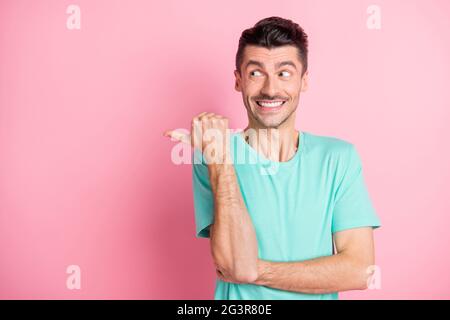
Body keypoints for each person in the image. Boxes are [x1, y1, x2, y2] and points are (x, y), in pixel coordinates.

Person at [164, 16, 381, 300]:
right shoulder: (212, 155)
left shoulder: (338, 158)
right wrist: (219, 159)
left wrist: (258, 271)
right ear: (238, 80)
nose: (269, 89)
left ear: (304, 81)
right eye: (255, 73)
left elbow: (359, 270)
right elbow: (232, 264)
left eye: (284, 73)